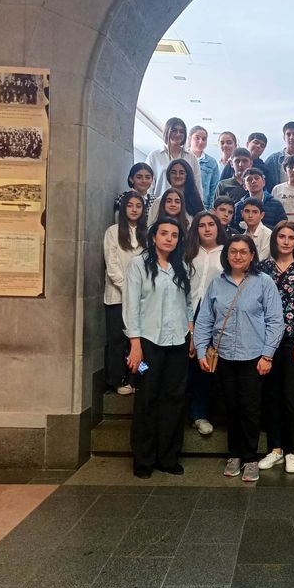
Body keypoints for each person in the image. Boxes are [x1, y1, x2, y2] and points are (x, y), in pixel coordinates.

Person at [194, 235, 284, 483]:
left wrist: (267, 355)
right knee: (231, 407)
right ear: (227, 255)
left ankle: (250, 457)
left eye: (244, 251)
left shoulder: (264, 282)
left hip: (253, 356)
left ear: (252, 255)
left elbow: (275, 321)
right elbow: (204, 319)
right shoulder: (216, 283)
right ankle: (234, 454)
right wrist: (201, 350)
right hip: (224, 356)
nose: (238, 256)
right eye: (233, 251)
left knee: (250, 409)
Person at [123, 217, 193, 478]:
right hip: (147, 345)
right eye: (164, 233)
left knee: (174, 399)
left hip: (177, 343)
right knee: (146, 398)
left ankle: (168, 457)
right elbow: (131, 306)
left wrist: (191, 333)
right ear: (153, 237)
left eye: (174, 235)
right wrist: (135, 345)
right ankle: (144, 459)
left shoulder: (182, 266)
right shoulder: (138, 265)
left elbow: (188, 303)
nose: (169, 239)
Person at [259, 222, 294, 474]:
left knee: (290, 395)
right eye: (281, 236)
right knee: (271, 395)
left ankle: (292, 451)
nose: (285, 241)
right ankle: (275, 450)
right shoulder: (263, 267)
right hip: (267, 340)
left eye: (291, 237)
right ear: (275, 239)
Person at [183, 211, 227, 436]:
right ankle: (185, 412)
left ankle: (200, 413)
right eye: (202, 225)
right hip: (186, 311)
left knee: (206, 364)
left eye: (211, 224)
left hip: (215, 315)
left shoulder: (226, 252)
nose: (207, 229)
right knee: (186, 363)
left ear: (218, 227)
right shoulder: (188, 252)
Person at [104, 192, 146, 396]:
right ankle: (118, 379)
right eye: (130, 205)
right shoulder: (113, 232)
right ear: (123, 208)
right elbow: (111, 266)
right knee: (118, 340)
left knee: (139, 342)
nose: (134, 209)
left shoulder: (147, 232)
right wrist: (128, 289)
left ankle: (137, 378)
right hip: (117, 297)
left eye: (138, 205)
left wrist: (139, 291)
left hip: (142, 299)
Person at [149, 159, 204, 224]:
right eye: (173, 172)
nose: (177, 176)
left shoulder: (195, 201)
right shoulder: (159, 202)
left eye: (181, 173)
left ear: (187, 175)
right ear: (168, 175)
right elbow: (150, 225)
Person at [145, 117, 186, 198]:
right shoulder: (154, 156)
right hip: (159, 203)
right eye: (174, 130)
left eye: (181, 131)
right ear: (167, 132)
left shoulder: (191, 158)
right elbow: (148, 185)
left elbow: (197, 186)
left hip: (186, 204)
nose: (178, 134)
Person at [263, 121, 294, 191]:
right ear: (284, 137)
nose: (291, 137)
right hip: (279, 196)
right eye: (288, 134)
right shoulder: (273, 159)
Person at [185, 125, 218, 209]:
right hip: (183, 203)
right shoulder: (182, 158)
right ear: (189, 138)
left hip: (203, 206)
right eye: (197, 138)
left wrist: (211, 209)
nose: (201, 142)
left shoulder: (212, 162)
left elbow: (214, 189)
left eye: (204, 139)